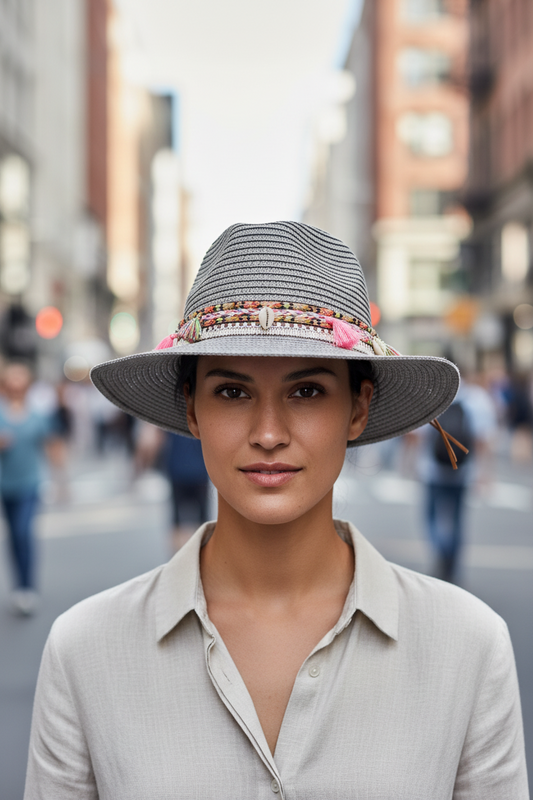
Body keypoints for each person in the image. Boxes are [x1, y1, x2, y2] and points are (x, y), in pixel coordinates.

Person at [25, 222, 528, 798]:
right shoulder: (85, 649)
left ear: (358, 409)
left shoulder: (468, 645)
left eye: (307, 391)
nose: (268, 433)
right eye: (232, 392)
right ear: (191, 409)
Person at [417, 374, 497, 582]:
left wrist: (408, 463)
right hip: (463, 470)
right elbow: (483, 439)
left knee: (432, 515)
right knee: (457, 518)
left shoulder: (431, 396)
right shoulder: (476, 399)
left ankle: (441, 550)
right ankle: (451, 561)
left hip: (433, 469)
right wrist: (484, 472)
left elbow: (417, 435)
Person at [0, 363, 58, 614]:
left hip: (30, 484)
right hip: (5, 484)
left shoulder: (37, 415)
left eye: (20, 381)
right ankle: (18, 586)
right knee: (13, 536)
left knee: (24, 532)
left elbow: (51, 445)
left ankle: (27, 587)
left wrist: (61, 480)